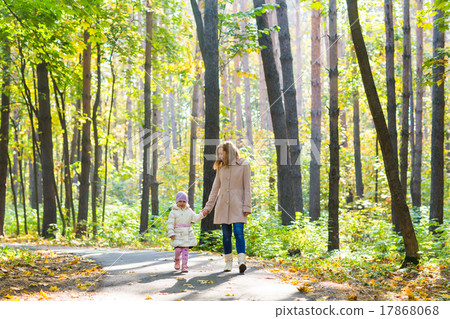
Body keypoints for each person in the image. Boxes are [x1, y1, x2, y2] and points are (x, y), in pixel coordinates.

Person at [201, 141, 252, 273]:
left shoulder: (244, 164)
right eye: (218, 153)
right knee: (226, 235)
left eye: (221, 153)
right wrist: (208, 208)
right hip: (223, 205)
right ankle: (228, 262)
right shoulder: (220, 167)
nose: (219, 156)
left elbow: (247, 187)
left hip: (238, 205)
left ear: (228, 152)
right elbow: (215, 189)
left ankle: (241, 261)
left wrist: (247, 206)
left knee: (239, 232)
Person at [167, 191, 205, 272]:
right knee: (178, 250)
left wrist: (202, 214)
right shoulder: (173, 212)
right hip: (177, 234)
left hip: (187, 233)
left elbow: (195, 218)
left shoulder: (189, 210)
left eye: (184, 201)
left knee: (185, 250)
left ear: (186, 202)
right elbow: (170, 223)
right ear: (176, 202)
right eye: (180, 201)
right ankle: (177, 259)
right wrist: (171, 233)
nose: (182, 203)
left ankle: (184, 265)